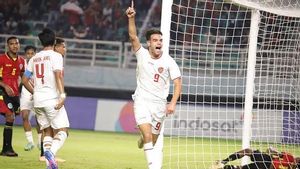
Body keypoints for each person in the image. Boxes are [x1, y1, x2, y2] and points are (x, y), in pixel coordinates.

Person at [126, 2, 182, 169]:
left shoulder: (169, 61)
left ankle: (143, 139)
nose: (159, 43)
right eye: (155, 40)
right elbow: (133, 37)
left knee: (152, 139)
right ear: (149, 43)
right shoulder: (142, 54)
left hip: (159, 105)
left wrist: (172, 103)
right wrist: (131, 18)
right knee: (149, 136)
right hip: (142, 100)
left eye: (160, 40)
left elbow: (178, 82)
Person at [22, 28, 69, 169]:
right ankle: (51, 153)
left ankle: (49, 165)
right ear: (54, 41)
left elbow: (24, 80)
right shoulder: (56, 56)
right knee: (63, 130)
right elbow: (58, 75)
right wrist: (62, 95)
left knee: (47, 131)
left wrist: (35, 92)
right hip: (52, 99)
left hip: (38, 101)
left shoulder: (34, 58)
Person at [0, 36, 26, 157]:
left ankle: (7, 148)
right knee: (10, 116)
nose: (15, 46)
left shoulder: (21, 60)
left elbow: (24, 77)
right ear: (8, 46)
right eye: (12, 44)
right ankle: (6, 149)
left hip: (15, 94)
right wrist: (5, 86)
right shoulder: (1, 59)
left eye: (16, 43)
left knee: (11, 119)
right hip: (2, 92)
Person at [20, 45, 43, 151]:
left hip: (37, 93)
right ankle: (30, 142)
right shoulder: (22, 63)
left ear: (35, 54)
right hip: (26, 92)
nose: (30, 55)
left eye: (32, 53)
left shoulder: (39, 62)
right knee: (24, 116)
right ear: (25, 55)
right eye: (28, 53)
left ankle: (40, 142)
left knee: (39, 120)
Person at [211, 147, 300, 169]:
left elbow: (273, 152)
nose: (298, 158)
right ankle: (223, 164)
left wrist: (271, 150)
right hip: (266, 163)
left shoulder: (291, 160)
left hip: (266, 164)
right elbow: (273, 152)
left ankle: (223, 164)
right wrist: (272, 152)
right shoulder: (291, 159)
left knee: (247, 153)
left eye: (298, 159)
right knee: (247, 152)